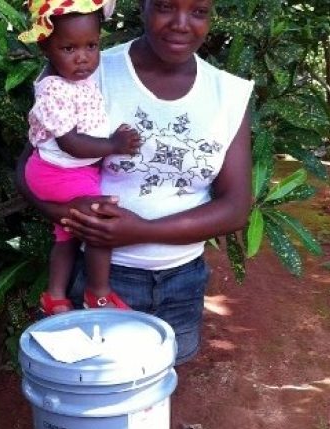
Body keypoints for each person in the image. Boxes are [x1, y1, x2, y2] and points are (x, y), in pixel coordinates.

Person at [16, 0, 254, 366]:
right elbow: (32, 163)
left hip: (182, 280)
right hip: (104, 276)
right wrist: (62, 210)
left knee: (156, 390)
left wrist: (141, 230)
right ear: (141, 6)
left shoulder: (228, 94)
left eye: (199, 12)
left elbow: (235, 207)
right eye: (164, 7)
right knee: (92, 388)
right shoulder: (89, 66)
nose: (180, 23)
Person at [18, 0, 141, 315]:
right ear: (47, 48)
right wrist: (114, 144)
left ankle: (55, 295)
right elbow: (72, 143)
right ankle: (98, 294)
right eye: (69, 49)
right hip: (58, 172)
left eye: (92, 46)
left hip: (67, 171)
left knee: (66, 234)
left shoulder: (73, 78)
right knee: (98, 224)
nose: (83, 57)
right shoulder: (54, 91)